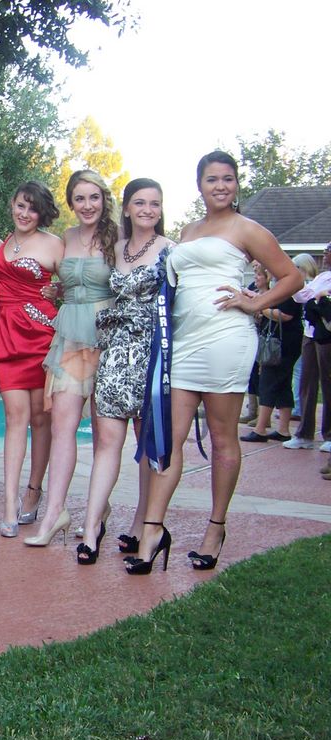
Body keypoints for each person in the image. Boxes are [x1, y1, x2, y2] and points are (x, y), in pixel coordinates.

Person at [126, 151, 301, 575]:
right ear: (199, 185)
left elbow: (293, 277)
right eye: (212, 179)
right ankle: (152, 531)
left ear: (236, 183)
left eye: (227, 178)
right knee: (169, 440)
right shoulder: (189, 230)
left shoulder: (247, 228)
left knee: (223, 438)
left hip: (226, 341)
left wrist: (255, 303)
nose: (220, 186)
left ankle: (215, 529)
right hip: (184, 343)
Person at [78, 178, 174, 564]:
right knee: (107, 443)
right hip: (115, 352)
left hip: (153, 354)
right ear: (128, 208)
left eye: (154, 203)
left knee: (149, 444)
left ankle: (141, 526)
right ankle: (90, 529)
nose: (148, 210)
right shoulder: (115, 248)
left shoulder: (170, 250)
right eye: (140, 202)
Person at [25, 170, 116, 547]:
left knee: (104, 432)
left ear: (104, 199)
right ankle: (54, 513)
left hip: (108, 337)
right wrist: (58, 289)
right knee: (62, 423)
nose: (87, 205)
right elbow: (71, 283)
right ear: (71, 203)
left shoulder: (118, 238)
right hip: (70, 336)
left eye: (94, 197)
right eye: (80, 198)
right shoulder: (67, 237)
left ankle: (98, 511)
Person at [0, 181, 62, 537]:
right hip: (6, 336)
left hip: (41, 334)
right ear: (12, 205)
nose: (25, 213)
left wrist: (59, 289)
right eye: (21, 205)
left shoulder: (54, 244)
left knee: (40, 418)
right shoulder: (2, 243)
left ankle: (33, 491)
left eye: (33, 208)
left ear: (41, 213)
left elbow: (76, 284)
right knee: (15, 417)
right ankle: (9, 503)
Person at [240, 263, 304, 442]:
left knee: (268, 381)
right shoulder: (285, 289)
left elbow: (285, 315)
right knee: (283, 385)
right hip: (287, 341)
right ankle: (283, 429)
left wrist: (260, 307)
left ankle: (261, 428)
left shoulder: (289, 290)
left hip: (282, 343)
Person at [284, 253, 330, 450]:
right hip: (310, 334)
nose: (326, 253)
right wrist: (294, 278)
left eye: (329, 250)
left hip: (327, 335)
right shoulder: (322, 277)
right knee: (307, 383)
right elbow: (302, 296)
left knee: (327, 383)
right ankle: (304, 434)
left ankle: (329, 435)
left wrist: (320, 297)